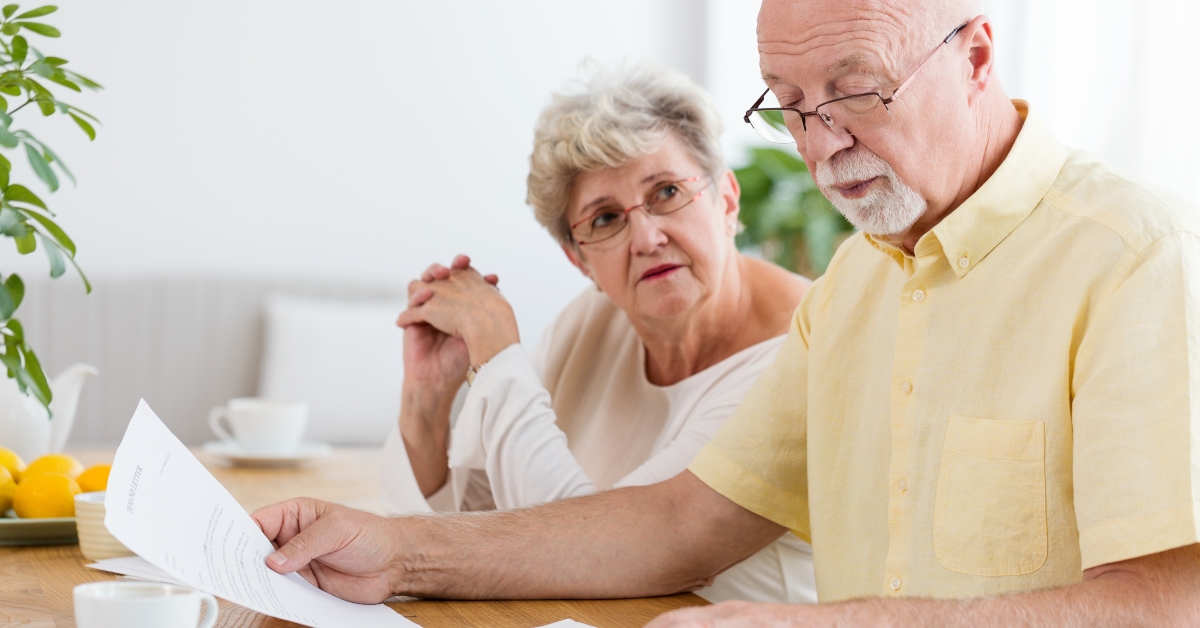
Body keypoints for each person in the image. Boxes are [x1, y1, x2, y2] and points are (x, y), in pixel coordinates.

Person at [251, 0, 1200, 625]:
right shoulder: (856, 290)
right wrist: (399, 551)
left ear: (977, 56)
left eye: (856, 90)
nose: (824, 144)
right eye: (790, 106)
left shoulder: (1134, 256)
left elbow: (1169, 599)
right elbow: (678, 526)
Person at [379, 64, 815, 604]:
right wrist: (427, 399)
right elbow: (482, 520)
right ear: (578, 258)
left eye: (667, 192)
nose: (647, 237)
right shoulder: (592, 321)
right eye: (605, 219)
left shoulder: (803, 350)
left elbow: (595, 558)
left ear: (725, 199)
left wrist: (497, 356)